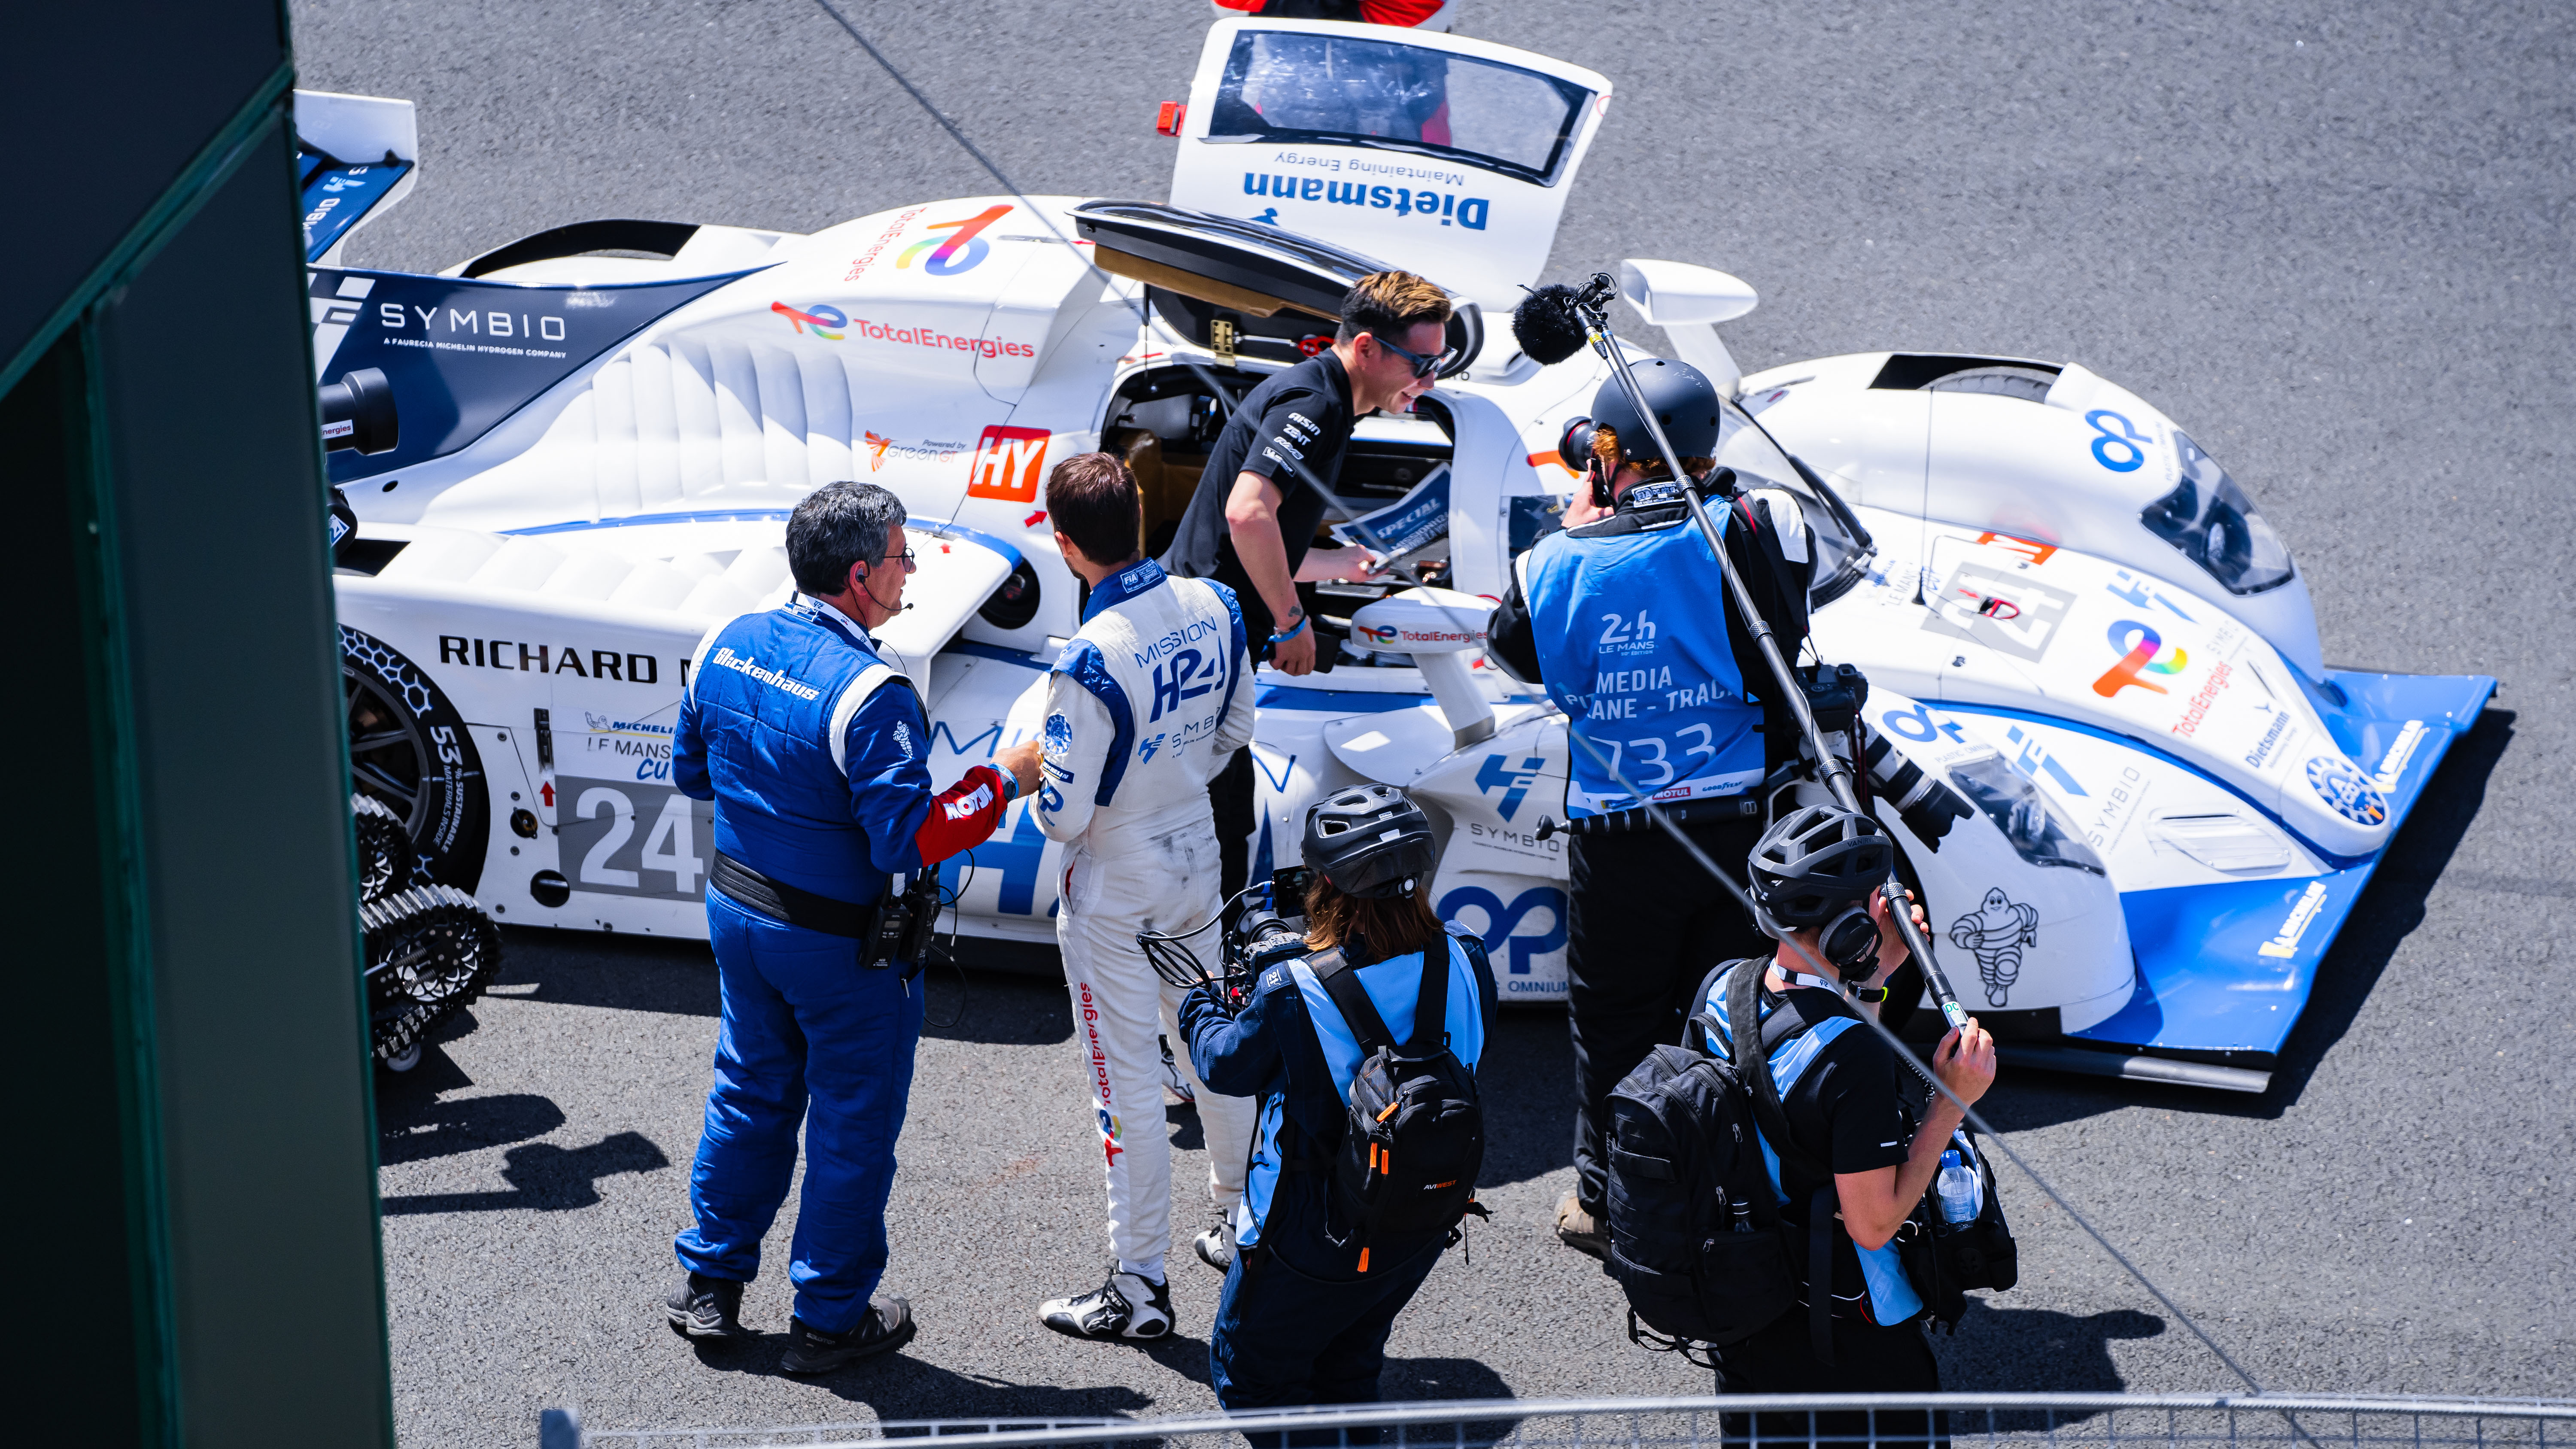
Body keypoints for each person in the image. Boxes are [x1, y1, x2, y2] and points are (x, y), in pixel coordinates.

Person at [663, 480, 1042, 1374]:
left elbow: (691, 775)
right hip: (839, 946)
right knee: (851, 1123)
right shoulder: (873, 691)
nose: (915, 569)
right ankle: (830, 1316)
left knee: (748, 1092)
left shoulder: (724, 639)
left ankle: (710, 1283)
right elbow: (910, 836)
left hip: (738, 913)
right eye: (906, 555)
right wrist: (1005, 778)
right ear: (861, 574)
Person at [1483, 356, 1820, 1260]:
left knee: (1615, 1022)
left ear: (1605, 454)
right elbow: (1787, 630)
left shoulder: (1555, 561)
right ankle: (1740, 1186)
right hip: (1742, 823)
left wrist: (1583, 529)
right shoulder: (1752, 525)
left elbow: (1513, 649)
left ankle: (1605, 1196)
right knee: (1736, 1014)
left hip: (1619, 832)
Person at [1029, 452, 1263, 1340]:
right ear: (1139, 517)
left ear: (1065, 544)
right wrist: (1174, 775)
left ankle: (1139, 1285)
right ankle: (1242, 1213)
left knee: (1124, 1080)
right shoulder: (1217, 603)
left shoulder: (1088, 659)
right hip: (1197, 848)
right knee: (1213, 1044)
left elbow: (1061, 814)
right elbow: (1239, 728)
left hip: (1116, 879)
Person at [1178, 785, 1497, 1423]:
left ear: (1328, 887)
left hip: (1312, 1230)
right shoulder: (1466, 953)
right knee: (1349, 1364)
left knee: (1252, 1380)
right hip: (1419, 1215)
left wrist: (1202, 1000)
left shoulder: (1292, 990)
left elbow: (1223, 1065)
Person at [1698, 805, 1996, 1446]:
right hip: (1841, 1330)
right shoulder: (1852, 1056)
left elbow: (1807, 1085)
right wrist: (1951, 1102)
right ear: (1853, 922)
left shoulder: (1723, 989)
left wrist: (1876, 976)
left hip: (1744, 1301)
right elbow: (1875, 1221)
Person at [1160, 269, 1452, 899]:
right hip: (1201, 649)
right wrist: (1292, 622)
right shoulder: (1316, 404)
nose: (1429, 383)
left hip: (1205, 640)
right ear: (1369, 349)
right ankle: (1211, 974)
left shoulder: (1331, 398)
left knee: (1225, 820)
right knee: (1220, 824)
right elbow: (1247, 515)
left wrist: (1337, 566)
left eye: (1439, 363)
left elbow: (1258, 543)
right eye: (1422, 364)